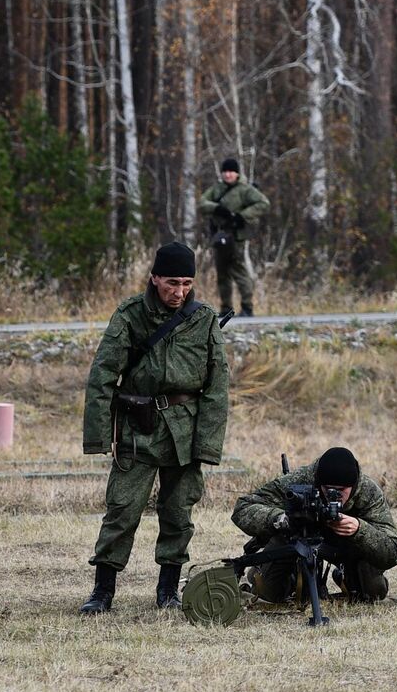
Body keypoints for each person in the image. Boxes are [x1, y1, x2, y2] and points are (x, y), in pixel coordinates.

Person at [79, 242, 230, 614]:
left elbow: (217, 386)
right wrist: (99, 437)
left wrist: (207, 445)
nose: (179, 292)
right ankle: (103, 591)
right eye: (172, 283)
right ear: (155, 279)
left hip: (185, 431)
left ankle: (167, 590)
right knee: (122, 509)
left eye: (187, 284)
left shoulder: (204, 318)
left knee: (179, 513)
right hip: (138, 427)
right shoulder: (130, 315)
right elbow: (102, 377)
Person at [230, 447, 397, 604]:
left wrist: (359, 529)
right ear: (318, 483)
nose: (334, 495)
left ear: (354, 485)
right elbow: (243, 508)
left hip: (347, 548)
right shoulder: (302, 480)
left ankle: (345, 576)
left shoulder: (368, 492)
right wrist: (282, 518)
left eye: (341, 490)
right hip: (298, 541)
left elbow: (393, 552)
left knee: (373, 594)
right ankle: (281, 574)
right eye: (328, 489)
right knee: (268, 594)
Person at [196, 158, 270, 318]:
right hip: (220, 236)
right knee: (222, 272)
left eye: (231, 171)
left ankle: (247, 307)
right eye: (225, 171)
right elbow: (201, 203)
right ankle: (226, 308)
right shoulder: (216, 189)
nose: (228, 174)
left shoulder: (245, 190)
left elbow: (263, 203)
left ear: (237, 173)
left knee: (238, 271)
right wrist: (216, 208)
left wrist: (242, 216)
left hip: (236, 237)